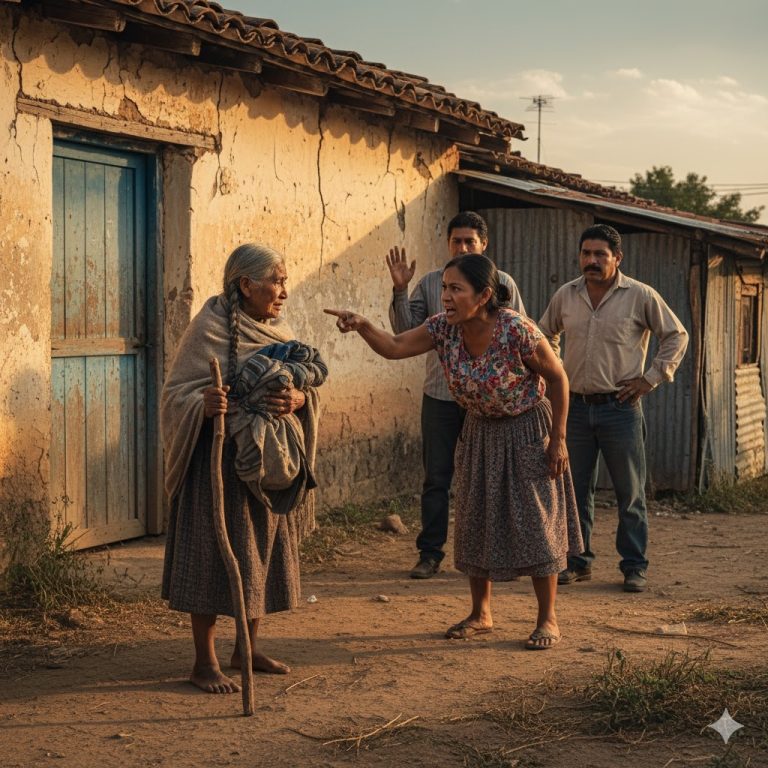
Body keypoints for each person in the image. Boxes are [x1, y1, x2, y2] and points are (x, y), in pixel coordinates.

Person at [326, 255, 582, 649]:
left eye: (455, 289)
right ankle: (482, 613)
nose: (445, 296)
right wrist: (361, 325)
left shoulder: (517, 330)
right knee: (475, 520)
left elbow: (558, 378)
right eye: (444, 287)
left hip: (527, 427)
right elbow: (394, 347)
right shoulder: (443, 330)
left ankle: (547, 619)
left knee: (536, 522)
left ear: (483, 295)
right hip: (478, 431)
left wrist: (558, 439)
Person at [161, 243, 327, 693]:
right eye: (276, 281)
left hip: (267, 465)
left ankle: (246, 649)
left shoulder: (279, 331)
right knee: (213, 556)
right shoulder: (208, 329)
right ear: (245, 285)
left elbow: (305, 383)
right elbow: (176, 394)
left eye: (285, 281)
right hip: (216, 466)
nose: (283, 291)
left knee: (259, 555)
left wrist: (298, 399)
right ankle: (204, 662)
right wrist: (204, 402)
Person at [538, 224, 688, 593]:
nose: (591, 260)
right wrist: (555, 372)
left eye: (599, 254)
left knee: (630, 492)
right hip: (573, 408)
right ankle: (577, 561)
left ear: (617, 258)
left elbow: (676, 335)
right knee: (574, 490)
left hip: (620, 408)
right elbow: (544, 334)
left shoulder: (639, 295)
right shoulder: (566, 295)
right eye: (586, 253)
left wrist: (650, 378)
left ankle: (634, 566)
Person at [387, 211, 526, 579]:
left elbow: (521, 341)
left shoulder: (502, 283)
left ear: (484, 245)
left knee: (490, 478)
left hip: (487, 405)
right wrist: (401, 289)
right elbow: (404, 331)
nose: (462, 247)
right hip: (441, 396)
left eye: (469, 241)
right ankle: (430, 554)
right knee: (437, 478)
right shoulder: (434, 283)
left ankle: (497, 556)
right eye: (456, 241)